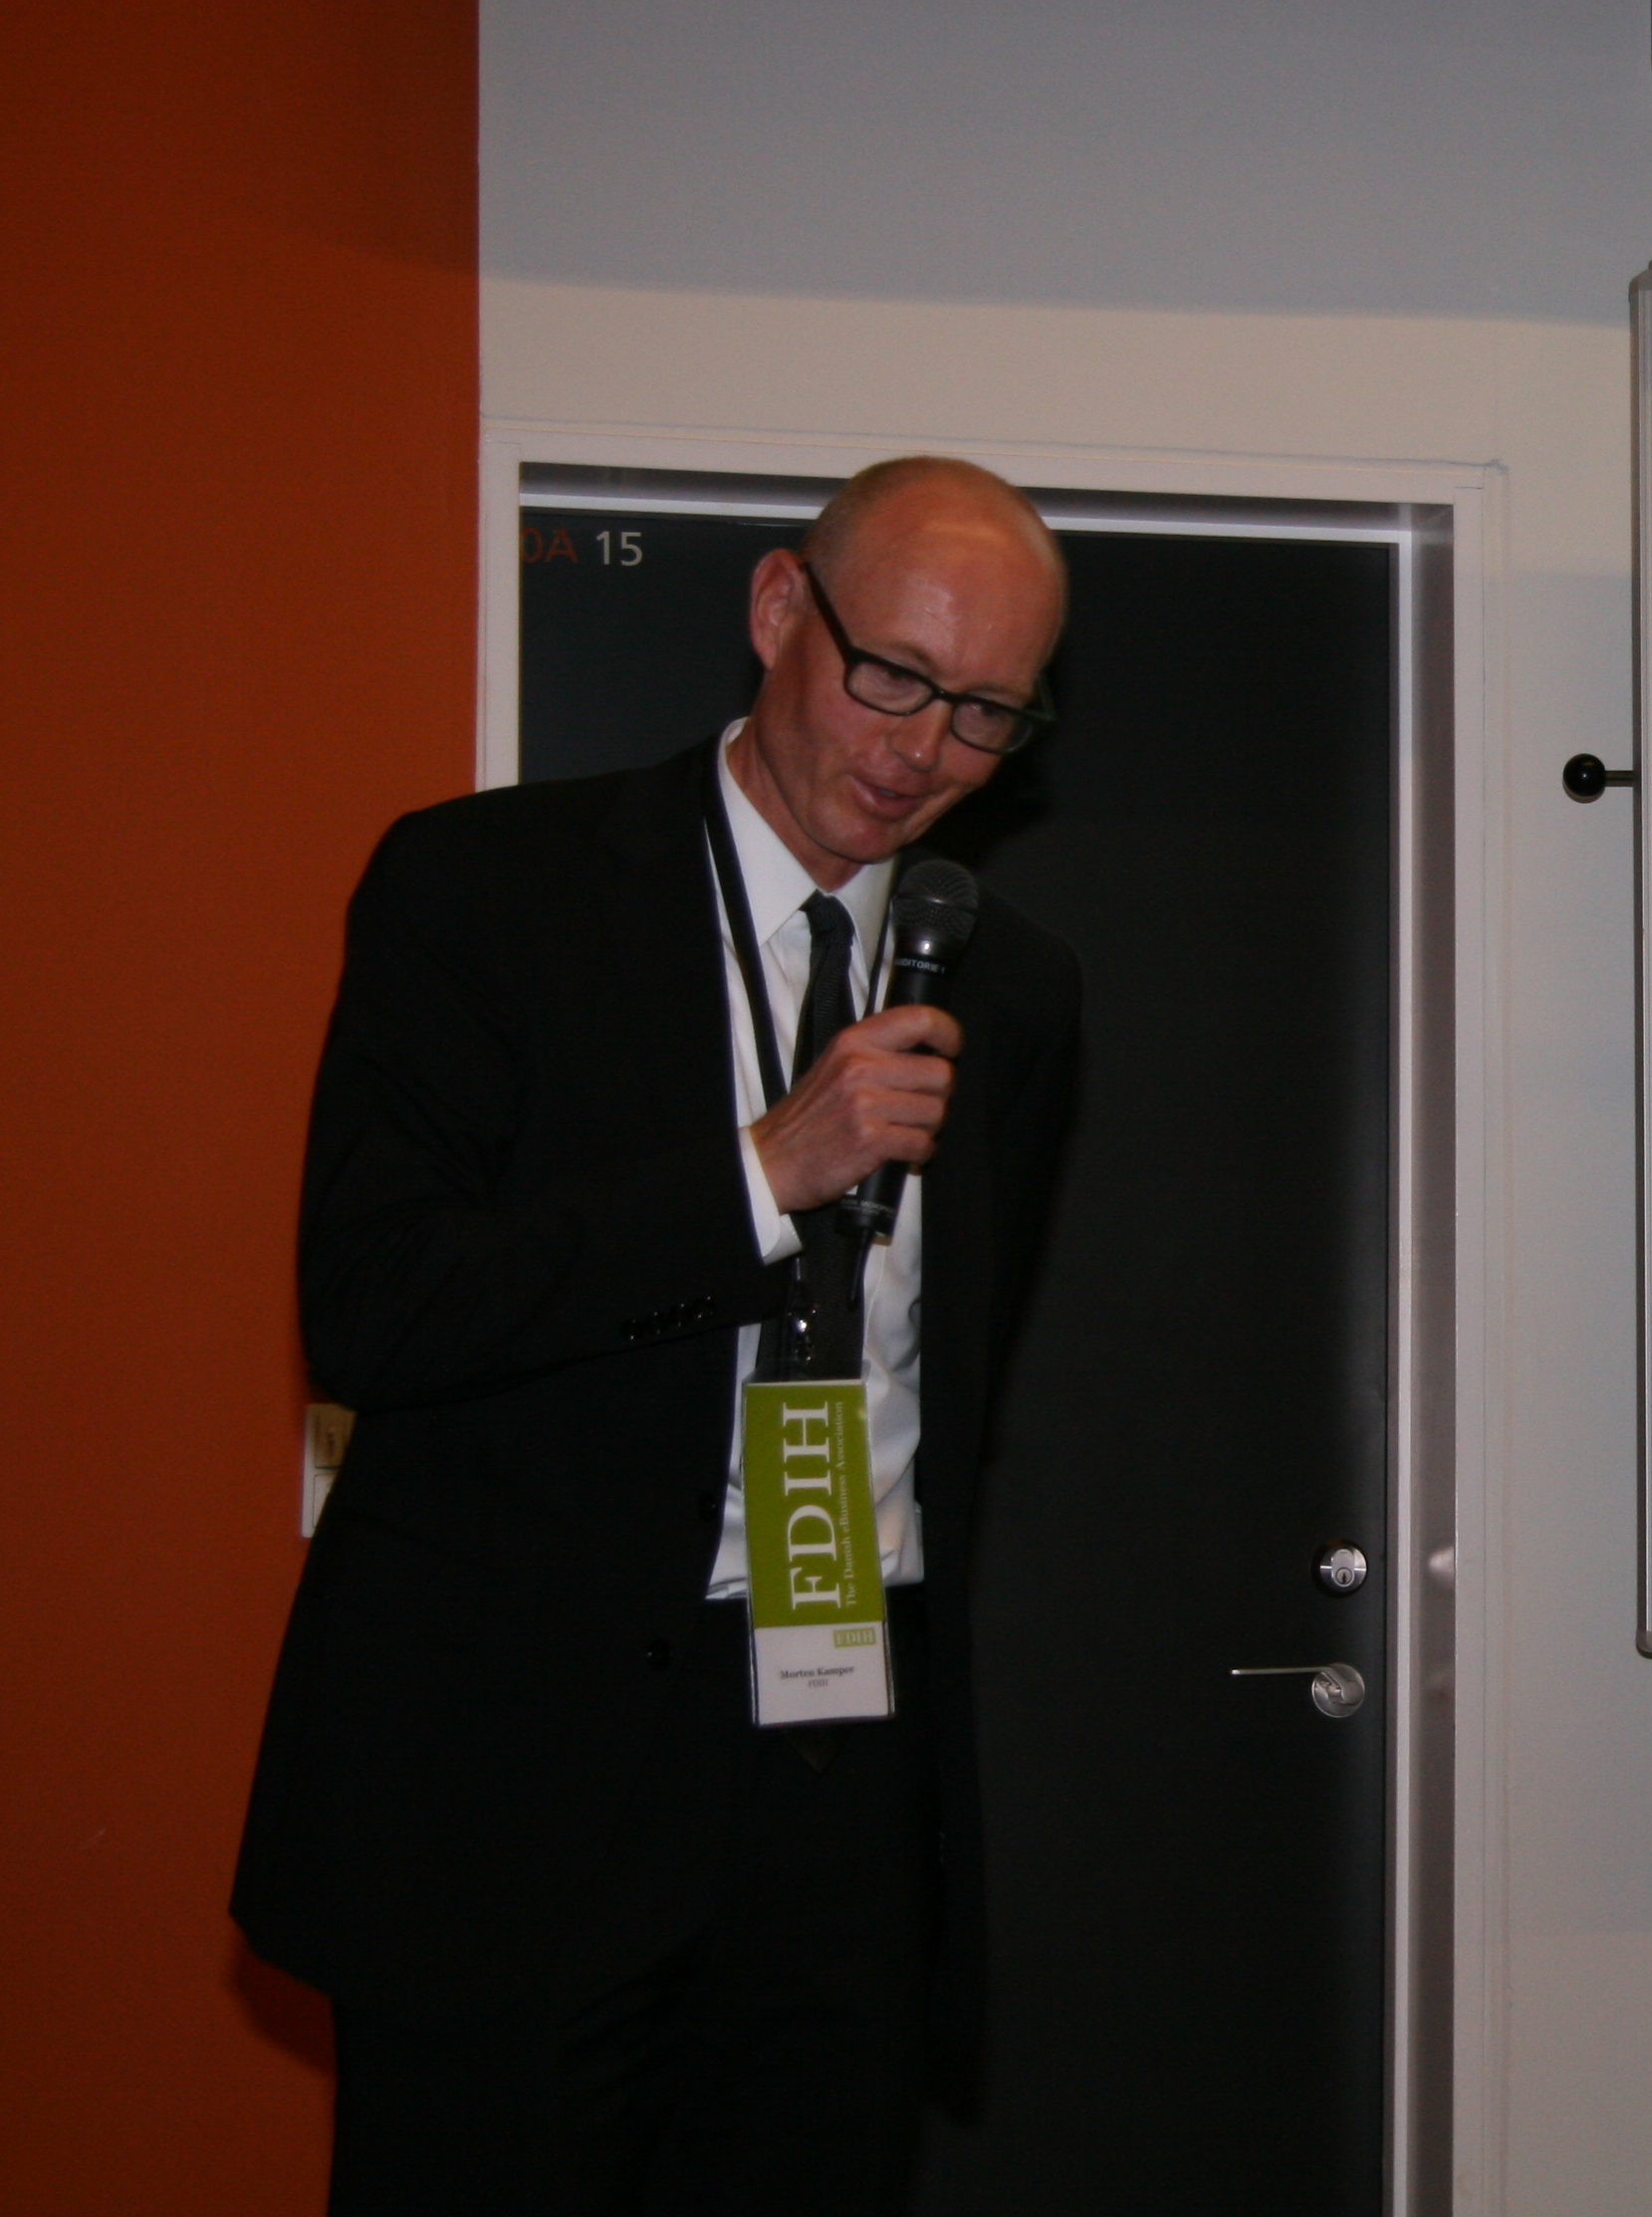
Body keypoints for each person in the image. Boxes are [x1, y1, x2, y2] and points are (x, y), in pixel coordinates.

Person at [236, 458, 1084, 2213]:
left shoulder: (1011, 989)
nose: (924, 749)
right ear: (779, 612)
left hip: (839, 1759)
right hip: (516, 1775)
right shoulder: (486, 890)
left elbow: (946, 1389)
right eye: (894, 676)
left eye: (988, 713)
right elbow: (377, 1307)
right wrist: (765, 1173)